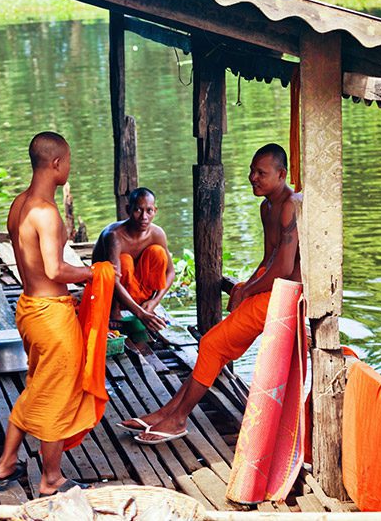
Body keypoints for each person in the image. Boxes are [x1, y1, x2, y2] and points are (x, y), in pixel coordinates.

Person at [120, 143, 301, 444]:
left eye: (261, 173)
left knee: (212, 345)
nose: (253, 177)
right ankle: (168, 411)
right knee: (212, 345)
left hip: (287, 294)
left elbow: (283, 267)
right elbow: (269, 258)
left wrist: (248, 291)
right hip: (269, 287)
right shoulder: (266, 206)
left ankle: (177, 419)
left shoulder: (290, 205)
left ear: (282, 174)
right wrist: (245, 286)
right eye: (251, 171)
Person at [0, 131, 113, 496]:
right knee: (58, 393)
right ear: (57, 164)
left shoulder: (19, 204)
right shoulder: (45, 212)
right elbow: (56, 270)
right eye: (69, 162)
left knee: (39, 386)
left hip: (29, 309)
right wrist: (94, 272)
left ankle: (5, 465)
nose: (69, 168)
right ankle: (51, 479)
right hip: (51, 314)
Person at [92, 187, 174, 332]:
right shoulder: (114, 236)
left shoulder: (157, 234)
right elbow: (113, 280)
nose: (144, 217)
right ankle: (115, 311)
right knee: (124, 261)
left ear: (155, 210)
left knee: (158, 252)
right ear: (128, 209)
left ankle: (145, 304)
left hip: (141, 295)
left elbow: (170, 272)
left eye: (149, 210)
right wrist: (140, 314)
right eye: (138, 210)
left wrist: (154, 302)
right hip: (112, 295)